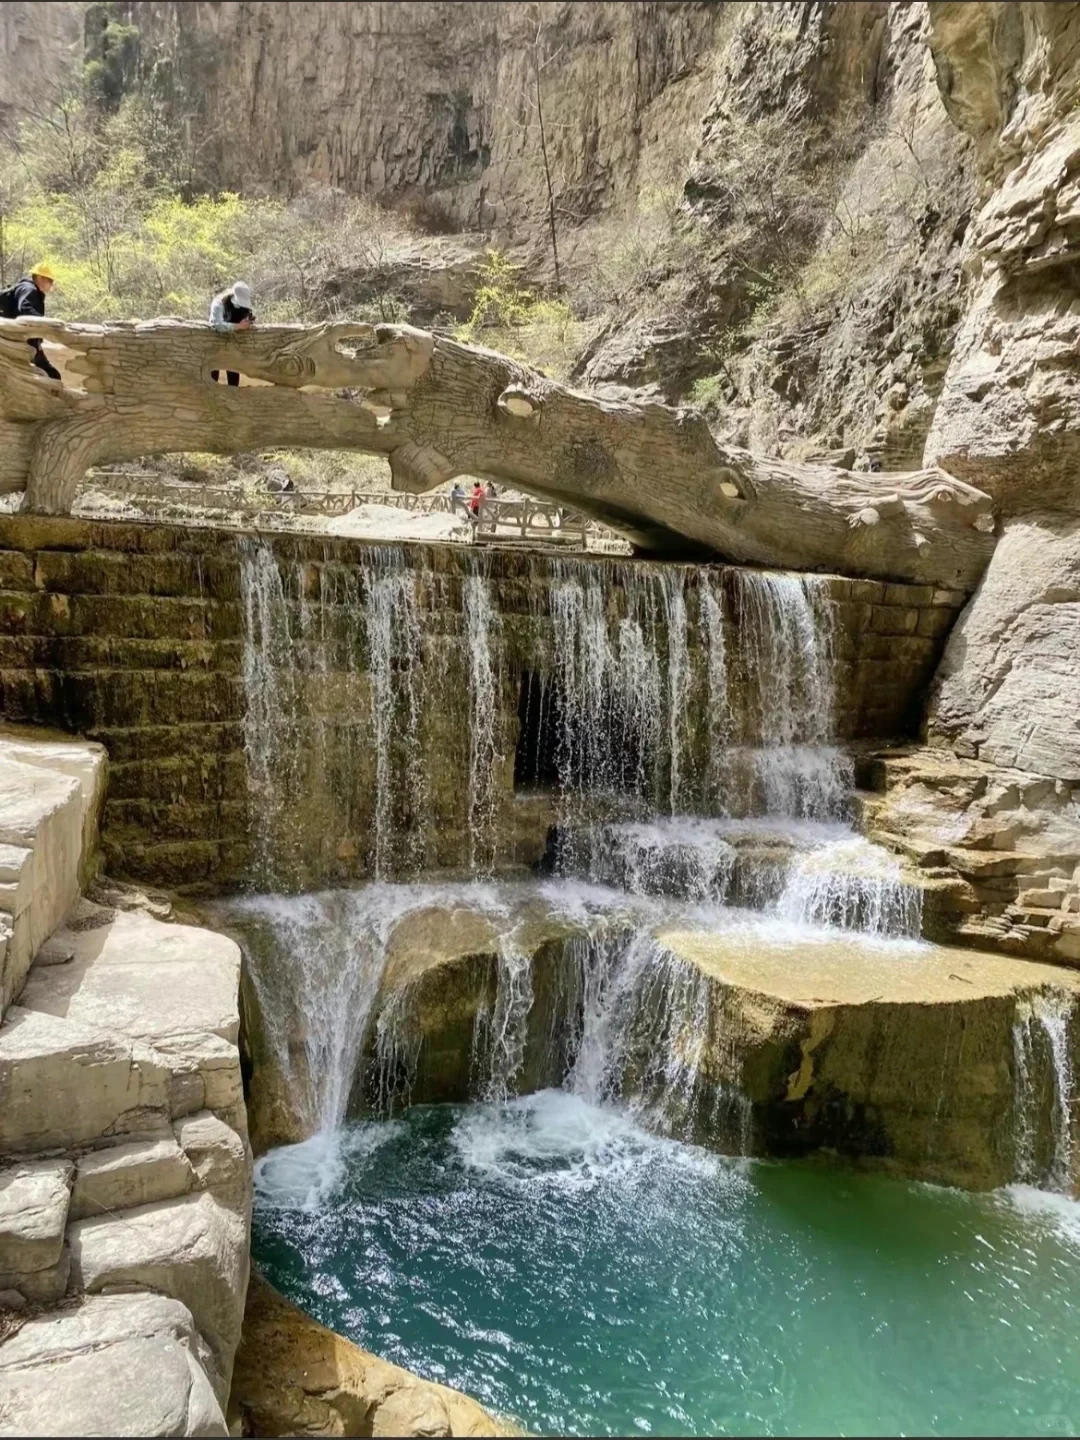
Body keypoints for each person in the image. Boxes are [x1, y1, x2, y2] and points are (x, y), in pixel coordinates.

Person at [0, 264, 62, 379]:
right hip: (15, 342)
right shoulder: (29, 289)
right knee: (50, 376)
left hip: (28, 344)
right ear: (39, 278)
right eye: (49, 280)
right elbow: (25, 310)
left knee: (52, 375)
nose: (51, 284)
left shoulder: (34, 293)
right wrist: (48, 324)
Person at [209, 281, 254, 386]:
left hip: (233, 345)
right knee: (213, 376)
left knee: (233, 377)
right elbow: (216, 324)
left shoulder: (244, 307)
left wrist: (248, 323)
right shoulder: (218, 303)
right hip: (215, 344)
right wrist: (238, 326)